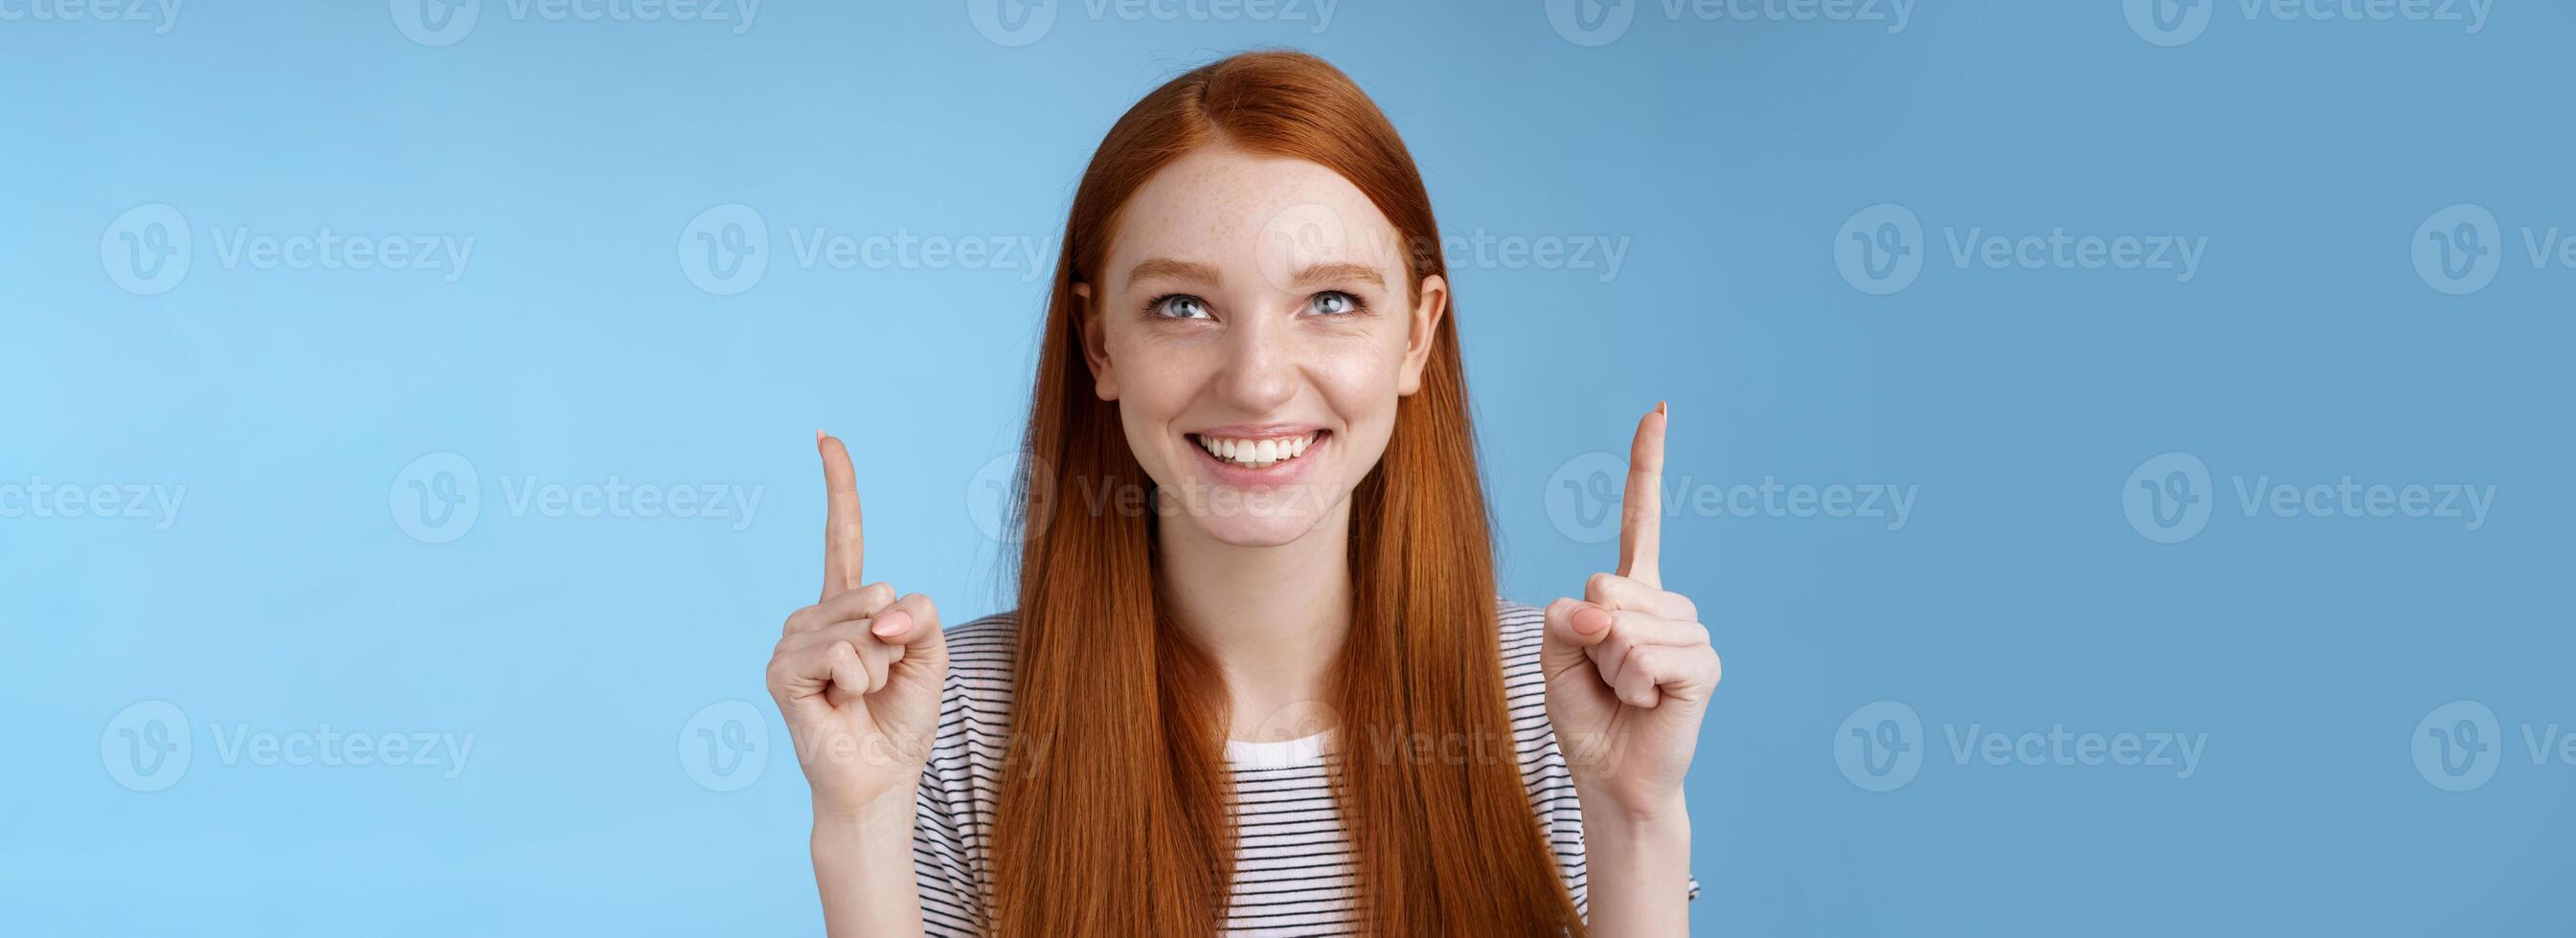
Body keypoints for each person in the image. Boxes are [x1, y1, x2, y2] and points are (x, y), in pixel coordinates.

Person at [766, 50, 1718, 938]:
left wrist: (1635, 817)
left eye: (1330, 301)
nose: (1257, 379)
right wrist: (859, 822)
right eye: (1181, 306)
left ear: (1415, 337)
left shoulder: (1553, 701)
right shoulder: (948, 718)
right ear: (1098, 345)